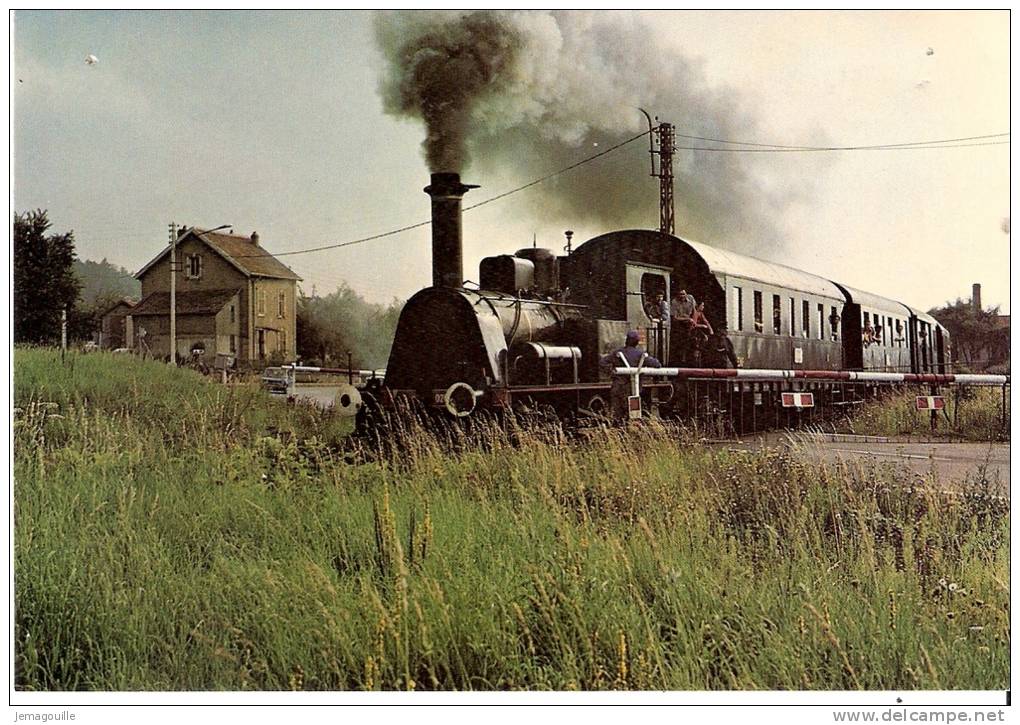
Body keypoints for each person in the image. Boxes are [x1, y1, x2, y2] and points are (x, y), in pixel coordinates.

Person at [600, 330, 662, 419]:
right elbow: (657, 364)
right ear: (637, 342)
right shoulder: (640, 354)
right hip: (632, 389)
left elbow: (603, 362)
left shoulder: (617, 352)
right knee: (632, 416)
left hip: (617, 388)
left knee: (617, 416)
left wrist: (611, 371)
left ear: (626, 340)